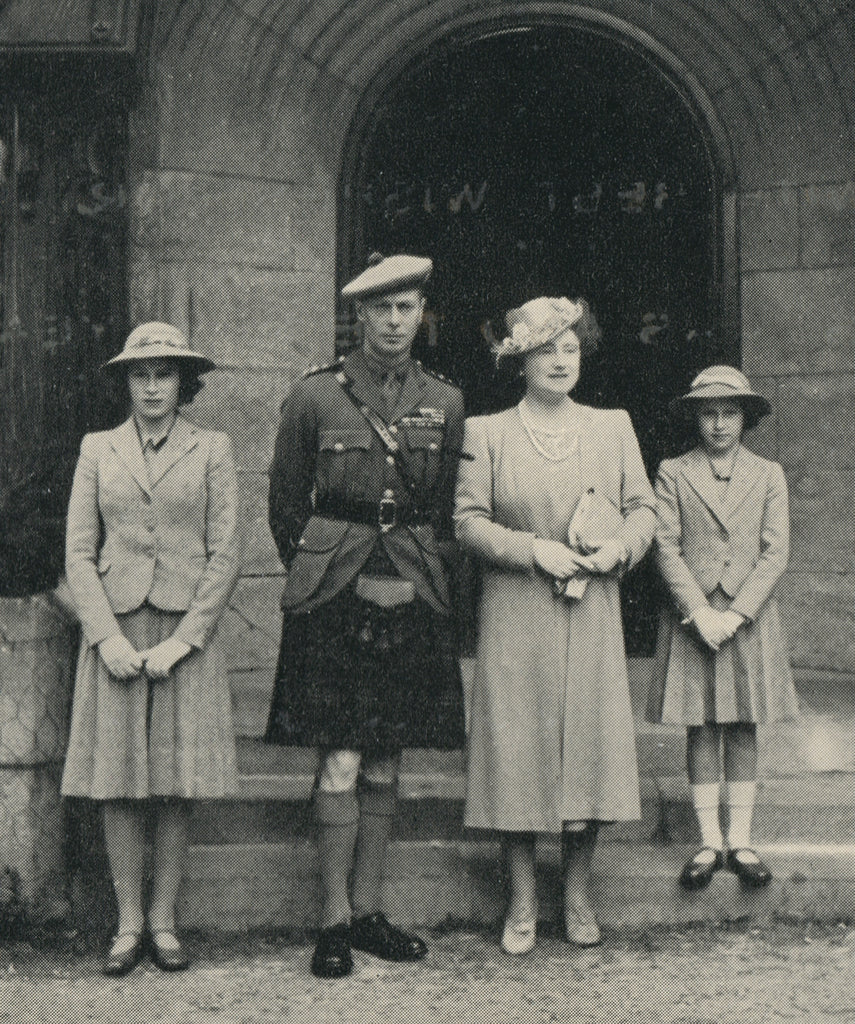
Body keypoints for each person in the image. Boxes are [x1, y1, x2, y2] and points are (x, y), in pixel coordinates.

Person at [265, 253, 466, 978]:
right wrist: (321, 563)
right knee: (340, 759)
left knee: (385, 761)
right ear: (359, 315)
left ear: (421, 314)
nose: (392, 321)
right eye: (379, 309)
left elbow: (444, 511)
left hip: (410, 580)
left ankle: (371, 912)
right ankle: (331, 920)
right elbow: (285, 503)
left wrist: (423, 567)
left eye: (405, 308)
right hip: (334, 589)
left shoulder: (444, 401)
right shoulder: (316, 395)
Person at [453, 296, 656, 954]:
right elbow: (467, 522)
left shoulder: (612, 425)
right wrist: (530, 549)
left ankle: (574, 893)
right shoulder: (487, 433)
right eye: (545, 350)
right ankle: (520, 900)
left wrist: (619, 548)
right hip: (515, 609)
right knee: (517, 750)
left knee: (586, 750)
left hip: (590, 609)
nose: (560, 360)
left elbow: (642, 509)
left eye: (569, 347)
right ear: (519, 360)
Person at [61, 323, 240, 975]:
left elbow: (225, 554)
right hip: (115, 629)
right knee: (119, 782)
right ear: (126, 382)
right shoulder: (98, 448)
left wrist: (186, 641)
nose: (154, 386)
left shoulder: (212, 448)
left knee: (173, 782)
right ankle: (126, 924)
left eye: (165, 374)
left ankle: (164, 923)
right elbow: (79, 552)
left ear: (183, 382)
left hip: (183, 634)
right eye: (141, 374)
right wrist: (104, 635)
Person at [647, 365, 797, 890]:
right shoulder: (673, 471)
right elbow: (664, 545)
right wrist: (699, 612)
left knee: (743, 722)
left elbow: (775, 552)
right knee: (702, 723)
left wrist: (736, 613)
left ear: (745, 419)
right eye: (708, 413)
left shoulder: (768, 474)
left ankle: (742, 840)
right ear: (695, 419)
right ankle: (709, 840)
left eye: (728, 413)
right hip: (695, 616)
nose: (717, 424)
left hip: (746, 617)